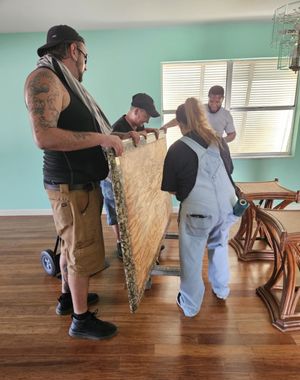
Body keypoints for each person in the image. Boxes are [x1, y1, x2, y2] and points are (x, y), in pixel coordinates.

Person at [24, 25, 141, 340]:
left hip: (77, 186)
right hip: (71, 187)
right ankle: (81, 319)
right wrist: (103, 137)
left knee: (69, 247)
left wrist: (121, 136)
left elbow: (88, 130)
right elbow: (44, 136)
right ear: (73, 50)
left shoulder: (63, 81)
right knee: (80, 252)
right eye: (86, 57)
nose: (86, 65)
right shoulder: (45, 79)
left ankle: (67, 298)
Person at [161, 97, 239, 317]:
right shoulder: (219, 140)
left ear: (180, 123)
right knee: (220, 247)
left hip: (199, 213)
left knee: (192, 258)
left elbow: (172, 190)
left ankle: (190, 305)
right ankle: (222, 290)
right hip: (227, 207)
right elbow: (229, 170)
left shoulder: (177, 149)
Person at [101, 93, 160, 259]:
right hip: (110, 179)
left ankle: (132, 240)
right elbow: (110, 137)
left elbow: (140, 135)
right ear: (136, 111)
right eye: (146, 116)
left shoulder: (137, 126)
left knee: (129, 211)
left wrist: (146, 131)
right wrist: (125, 136)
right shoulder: (118, 127)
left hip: (127, 177)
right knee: (115, 212)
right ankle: (121, 243)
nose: (147, 121)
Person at [161, 85, 236, 143]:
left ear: (222, 99)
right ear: (208, 97)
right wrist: (166, 126)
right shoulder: (200, 109)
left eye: (217, 102)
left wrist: (221, 141)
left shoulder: (226, 115)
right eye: (211, 101)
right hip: (198, 145)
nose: (213, 105)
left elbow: (232, 134)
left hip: (216, 148)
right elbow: (181, 118)